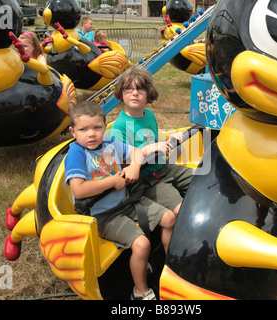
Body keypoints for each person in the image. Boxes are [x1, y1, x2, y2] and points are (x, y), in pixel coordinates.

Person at [64, 101, 175, 300]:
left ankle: (171, 267)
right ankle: (140, 291)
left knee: (169, 218)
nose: (91, 134)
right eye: (83, 129)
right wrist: (111, 181)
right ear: (73, 131)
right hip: (103, 216)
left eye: (97, 127)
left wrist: (134, 166)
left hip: (125, 202)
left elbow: (135, 152)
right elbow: (78, 190)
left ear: (104, 127)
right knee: (141, 245)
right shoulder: (77, 153)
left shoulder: (108, 143)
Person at [111, 68, 193, 215]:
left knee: (202, 181)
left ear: (149, 93)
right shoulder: (120, 127)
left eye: (140, 89)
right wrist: (149, 149)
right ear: (121, 93)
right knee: (183, 210)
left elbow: (154, 143)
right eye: (128, 88)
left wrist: (169, 140)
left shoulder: (149, 115)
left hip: (165, 167)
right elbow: (124, 165)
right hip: (148, 180)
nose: (135, 93)